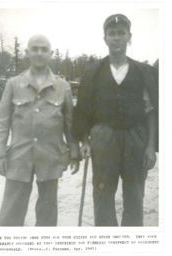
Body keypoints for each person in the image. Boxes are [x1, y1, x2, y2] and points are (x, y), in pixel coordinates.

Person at [74, 14, 158, 226]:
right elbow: (82, 110)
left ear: (130, 37)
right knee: (102, 193)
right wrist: (84, 141)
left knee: (134, 195)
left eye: (122, 33)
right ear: (105, 39)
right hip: (104, 137)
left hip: (136, 137)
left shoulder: (144, 71)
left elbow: (151, 111)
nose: (117, 38)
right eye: (112, 34)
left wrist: (150, 147)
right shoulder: (92, 71)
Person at [0, 34, 79, 226]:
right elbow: (2, 122)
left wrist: (74, 152)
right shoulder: (13, 84)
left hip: (51, 155)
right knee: (10, 213)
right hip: (19, 156)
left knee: (47, 213)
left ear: (51, 54)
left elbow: (70, 124)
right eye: (35, 49)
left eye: (44, 49)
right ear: (27, 52)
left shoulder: (62, 87)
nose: (39, 53)